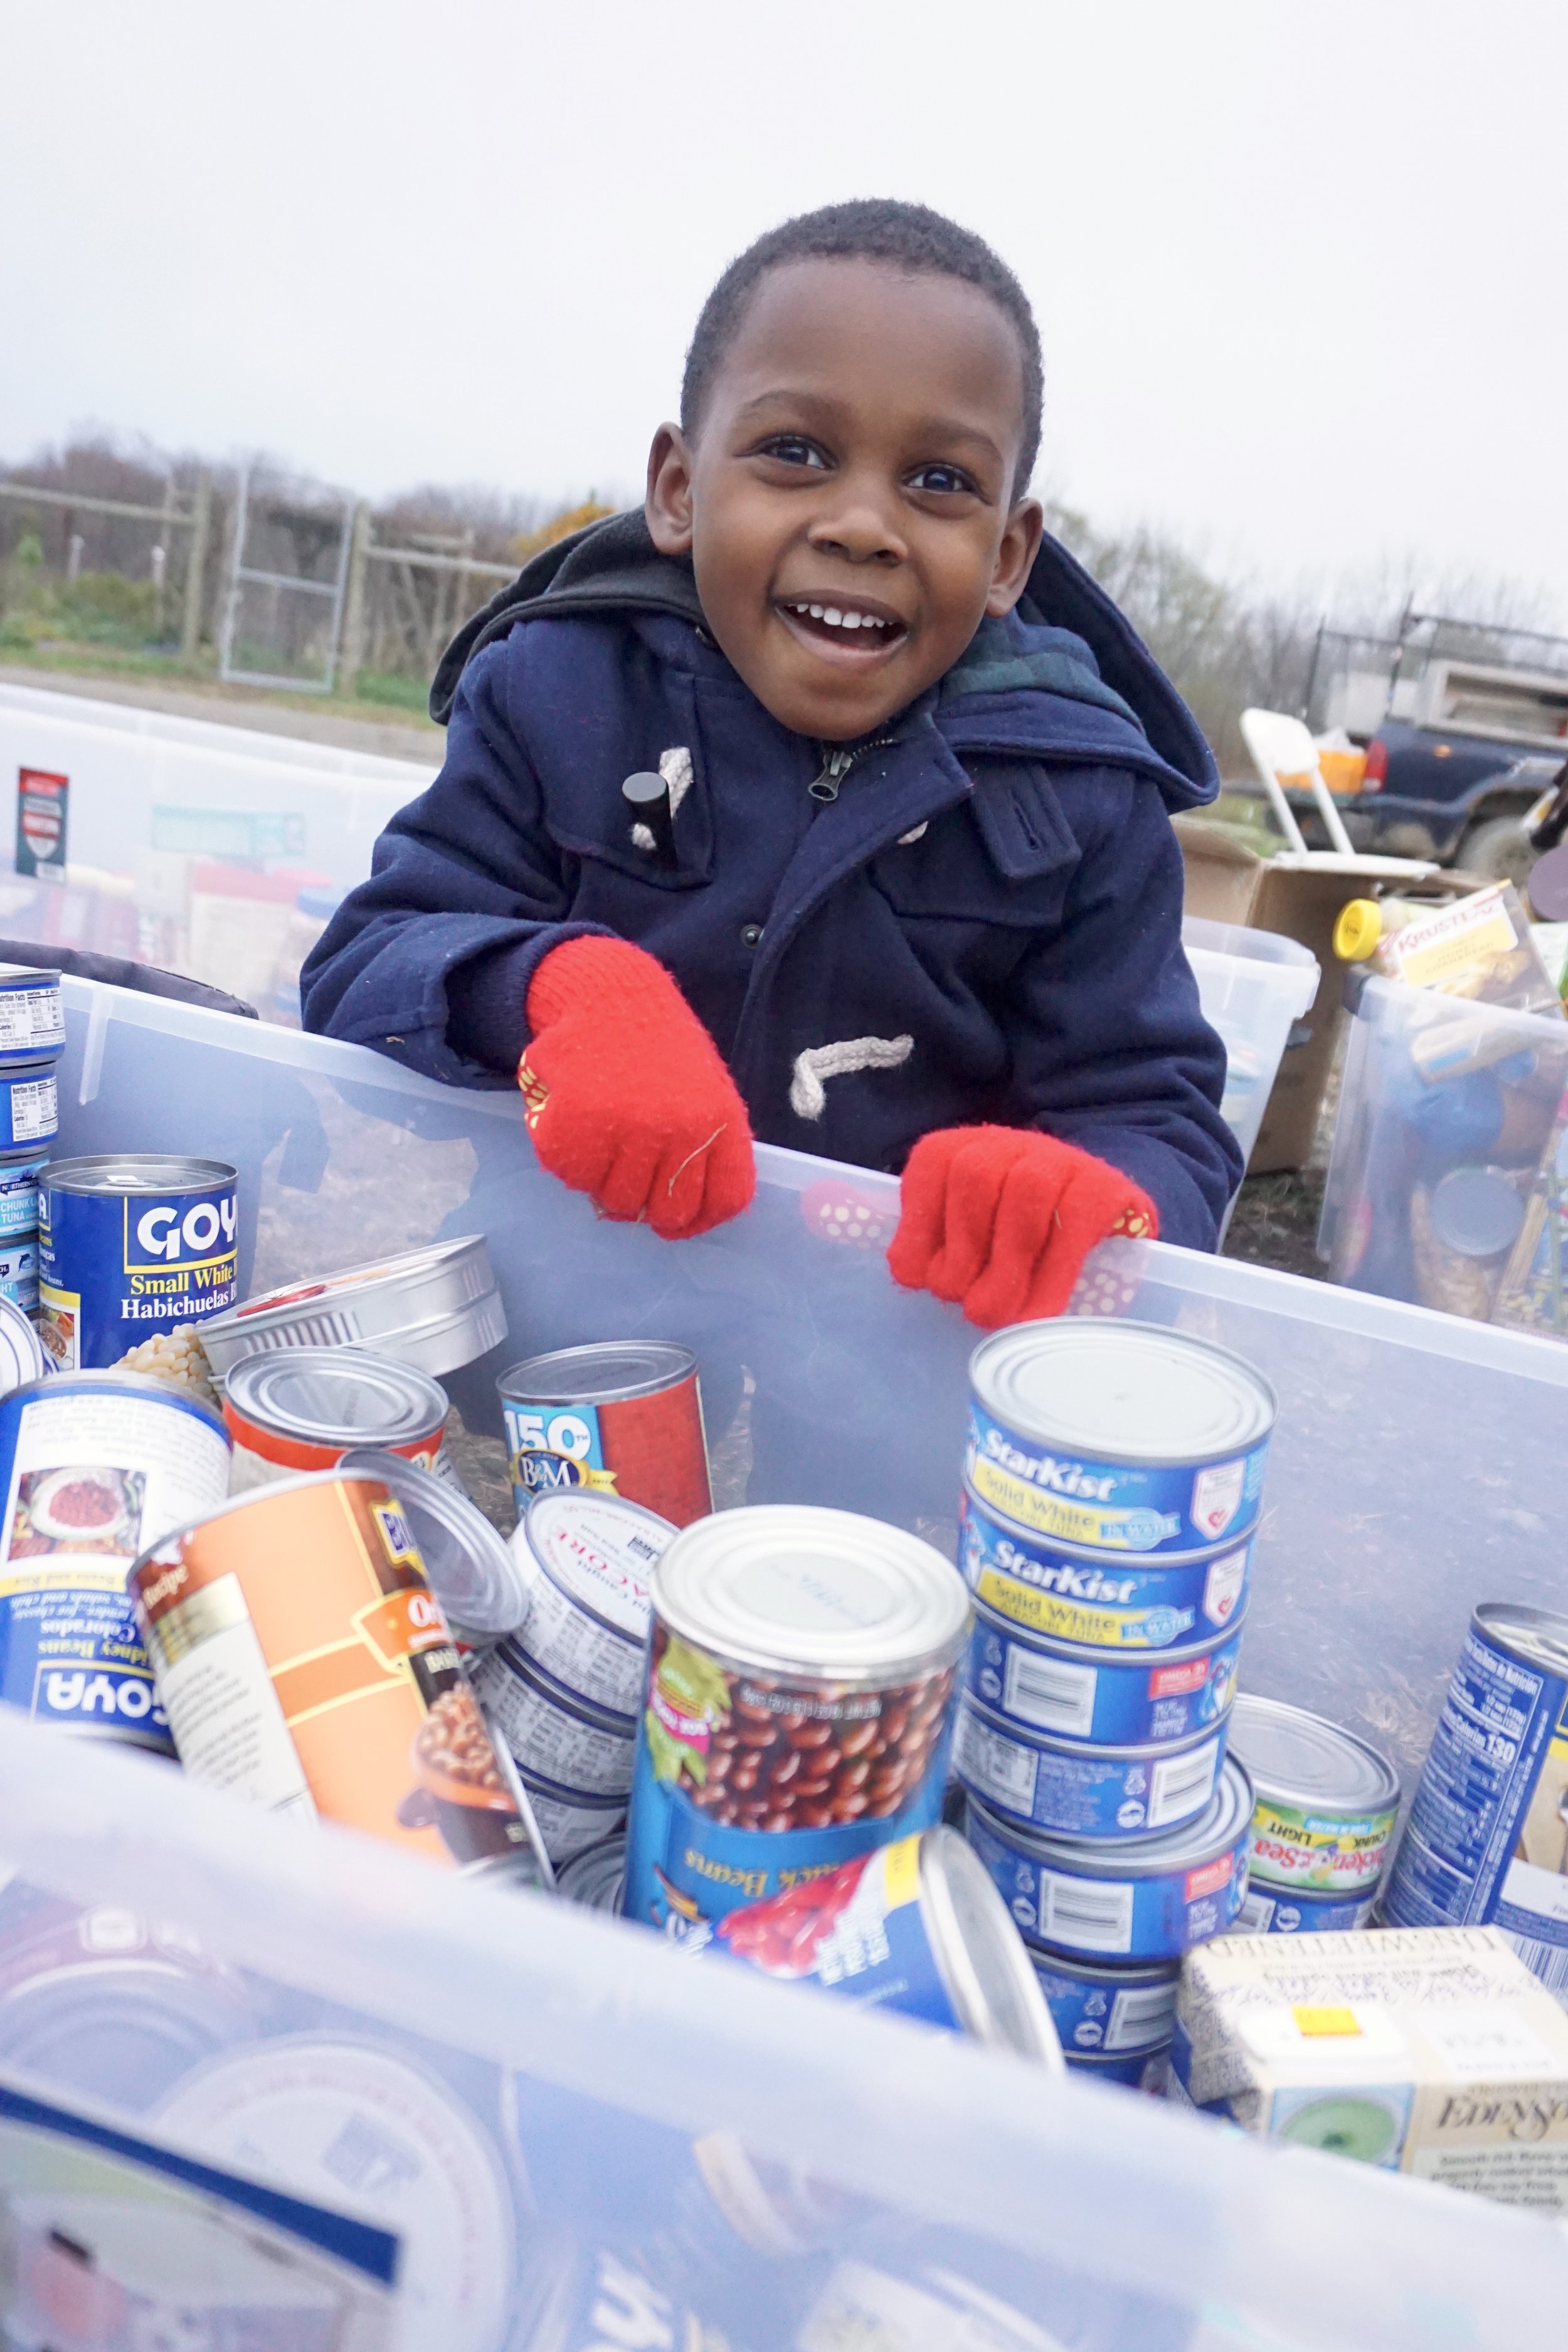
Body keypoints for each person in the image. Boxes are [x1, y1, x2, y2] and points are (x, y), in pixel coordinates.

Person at [302, 199, 1241, 1327]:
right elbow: (366, 961)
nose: (862, 525)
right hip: (569, 1290)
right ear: (679, 490)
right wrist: (559, 992)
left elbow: (1159, 1113)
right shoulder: (559, 689)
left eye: (938, 481)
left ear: (1008, 556)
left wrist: (1085, 1195)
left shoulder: (1089, 795)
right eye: (795, 453)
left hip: (887, 1342)